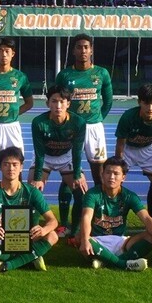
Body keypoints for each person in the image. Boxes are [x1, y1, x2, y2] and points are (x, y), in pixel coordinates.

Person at [0, 146, 58, 273]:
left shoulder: (32, 192)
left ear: (21, 167)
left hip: (26, 238)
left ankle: (6, 264)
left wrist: (43, 230)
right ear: (0, 167)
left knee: (52, 235)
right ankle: (31, 257)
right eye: (6, 164)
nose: (11, 168)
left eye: (15, 164)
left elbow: (53, 221)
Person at [78, 156, 152, 270]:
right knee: (81, 238)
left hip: (121, 242)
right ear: (102, 175)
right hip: (97, 240)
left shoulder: (129, 196)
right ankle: (124, 264)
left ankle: (105, 260)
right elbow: (86, 217)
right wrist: (85, 240)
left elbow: (146, 218)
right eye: (108, 172)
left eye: (116, 174)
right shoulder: (92, 194)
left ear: (123, 177)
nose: (111, 177)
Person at [55, 33, 113, 188]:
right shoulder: (64, 75)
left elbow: (108, 102)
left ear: (91, 50)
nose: (83, 51)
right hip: (72, 128)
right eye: (79, 47)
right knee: (69, 174)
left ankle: (99, 210)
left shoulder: (102, 73)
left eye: (86, 47)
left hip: (94, 128)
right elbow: (58, 101)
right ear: (73, 51)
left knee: (99, 173)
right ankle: (68, 212)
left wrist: (97, 118)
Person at [114, 83, 152, 232]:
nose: (150, 108)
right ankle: (111, 226)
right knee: (112, 185)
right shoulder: (128, 117)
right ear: (139, 102)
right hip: (127, 150)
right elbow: (120, 144)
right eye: (146, 103)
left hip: (148, 150)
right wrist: (118, 167)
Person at [30, 85, 86, 236]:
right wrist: (37, 179)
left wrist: (77, 175)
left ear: (68, 103)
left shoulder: (79, 122)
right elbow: (39, 152)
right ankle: (32, 233)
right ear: (48, 103)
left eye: (62, 101)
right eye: (54, 101)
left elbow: (77, 150)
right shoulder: (38, 122)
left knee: (81, 192)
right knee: (32, 191)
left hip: (66, 157)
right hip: (45, 157)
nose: (58, 106)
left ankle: (73, 232)